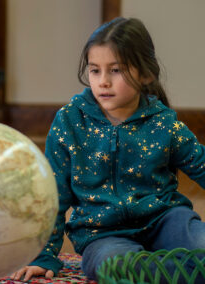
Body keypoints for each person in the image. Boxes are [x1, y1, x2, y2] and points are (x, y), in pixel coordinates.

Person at [12, 17, 205, 282]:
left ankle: (158, 271)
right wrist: (43, 254)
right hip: (102, 234)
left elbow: (201, 165)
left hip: (166, 220)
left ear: (146, 73)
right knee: (109, 266)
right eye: (95, 70)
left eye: (116, 70)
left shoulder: (163, 122)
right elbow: (52, 194)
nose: (103, 81)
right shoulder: (69, 121)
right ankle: (180, 272)